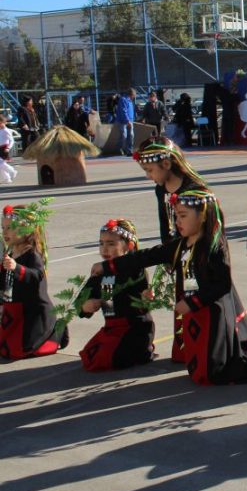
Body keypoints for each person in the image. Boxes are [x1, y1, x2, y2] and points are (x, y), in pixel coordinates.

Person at [91, 189, 247, 385]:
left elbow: (222, 285)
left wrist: (193, 302)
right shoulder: (180, 245)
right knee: (201, 370)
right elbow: (147, 256)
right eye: (176, 216)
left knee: (214, 373)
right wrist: (107, 266)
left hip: (211, 313)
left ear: (203, 216)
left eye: (183, 216)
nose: (177, 222)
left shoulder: (214, 246)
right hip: (192, 314)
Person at [133, 136, 209, 362]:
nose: (148, 176)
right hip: (177, 251)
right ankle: (185, 347)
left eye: (150, 170)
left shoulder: (194, 188)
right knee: (182, 296)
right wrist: (168, 252)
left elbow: (210, 226)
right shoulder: (161, 188)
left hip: (199, 254)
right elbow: (164, 220)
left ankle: (203, 346)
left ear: (166, 164)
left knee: (197, 295)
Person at [78, 219, 155, 371]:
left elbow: (143, 305)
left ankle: (142, 349)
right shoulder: (100, 273)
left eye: (111, 244)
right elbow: (80, 302)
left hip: (135, 327)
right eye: (101, 243)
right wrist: (85, 306)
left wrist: (146, 298)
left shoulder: (135, 271)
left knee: (107, 359)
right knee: (89, 355)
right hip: (111, 328)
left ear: (128, 246)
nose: (104, 249)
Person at [0, 203, 68, 359]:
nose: (5, 232)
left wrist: (17, 267)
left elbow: (37, 276)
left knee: (18, 350)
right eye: (3, 228)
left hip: (34, 311)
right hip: (15, 309)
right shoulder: (9, 252)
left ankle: (56, 330)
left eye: (10, 228)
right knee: (4, 347)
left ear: (27, 230)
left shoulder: (31, 254)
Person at [114, 89, 137, 156]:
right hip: (123, 121)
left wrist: (132, 119)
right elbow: (124, 111)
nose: (134, 97)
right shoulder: (123, 99)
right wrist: (128, 121)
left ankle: (129, 150)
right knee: (124, 136)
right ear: (131, 94)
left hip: (130, 120)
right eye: (134, 95)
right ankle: (119, 148)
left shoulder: (130, 101)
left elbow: (131, 111)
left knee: (131, 136)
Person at [0, 115, 17, 184]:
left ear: (2, 122)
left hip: (4, 148)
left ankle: (12, 171)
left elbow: (12, 140)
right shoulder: (1, 130)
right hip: (0, 148)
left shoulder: (6, 130)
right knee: (1, 164)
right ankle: (7, 178)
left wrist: (8, 148)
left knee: (1, 164)